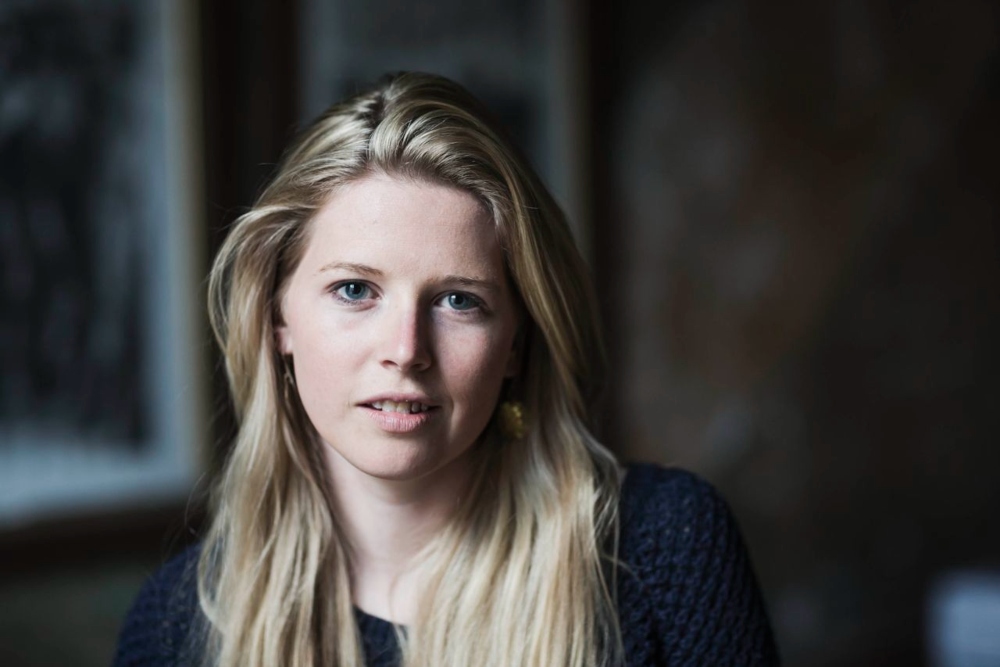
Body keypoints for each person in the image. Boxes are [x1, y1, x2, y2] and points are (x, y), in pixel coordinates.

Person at [114, 72, 779, 667]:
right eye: (355, 290)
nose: (406, 349)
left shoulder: (665, 551)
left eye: (459, 300)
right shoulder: (175, 628)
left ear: (516, 343)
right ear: (277, 319)